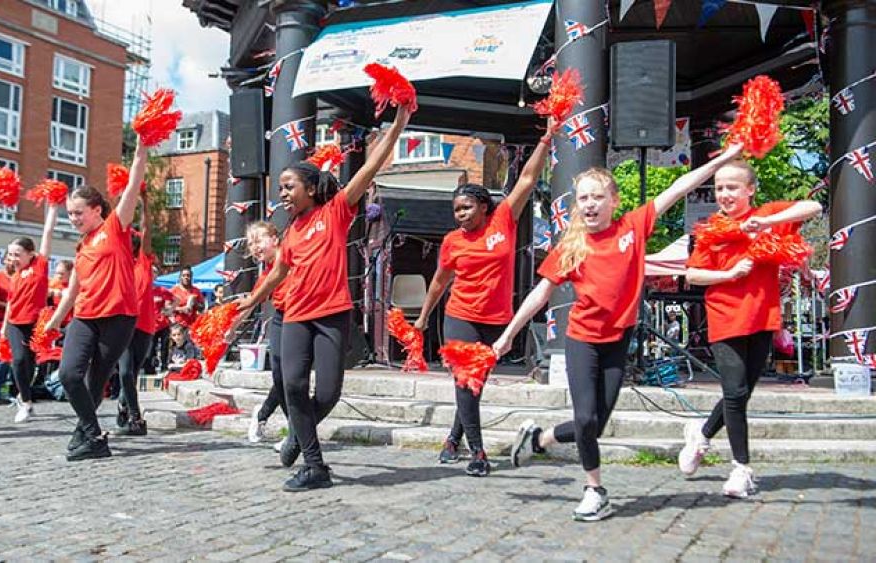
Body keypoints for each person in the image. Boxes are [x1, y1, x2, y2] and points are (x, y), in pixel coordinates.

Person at [494, 143, 745, 521]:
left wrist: (724, 159)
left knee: (595, 425)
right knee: (584, 420)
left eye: (597, 197)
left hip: (618, 341)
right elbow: (541, 292)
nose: (590, 204)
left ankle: (540, 439)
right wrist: (509, 334)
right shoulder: (572, 245)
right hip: (581, 339)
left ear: (614, 201)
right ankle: (595, 490)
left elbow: (679, 188)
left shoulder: (633, 227)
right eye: (583, 198)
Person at [239, 106, 412, 492]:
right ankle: (315, 466)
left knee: (329, 393)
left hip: (332, 315)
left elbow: (370, 169)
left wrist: (398, 124)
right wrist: (251, 301)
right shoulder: (291, 230)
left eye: (288, 187)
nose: (282, 194)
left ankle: (299, 437)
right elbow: (280, 272)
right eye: (280, 188)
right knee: (294, 386)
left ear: (311, 189)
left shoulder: (335, 212)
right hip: (297, 316)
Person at [413, 122, 557, 477]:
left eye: (465, 208)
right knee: (465, 381)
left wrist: (547, 137)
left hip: (496, 320)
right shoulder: (451, 242)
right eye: (456, 210)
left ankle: (452, 438)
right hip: (459, 316)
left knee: (475, 384)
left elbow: (525, 178)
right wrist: (422, 317)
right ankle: (477, 452)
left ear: (482, 206)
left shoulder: (503, 221)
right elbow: (439, 282)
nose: (459, 215)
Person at [678, 159, 821, 497]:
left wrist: (767, 221)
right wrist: (728, 275)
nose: (725, 194)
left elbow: (813, 205)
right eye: (720, 188)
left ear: (750, 190)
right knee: (736, 392)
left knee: (739, 392)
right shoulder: (711, 229)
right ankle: (742, 469)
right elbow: (693, 275)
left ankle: (701, 435)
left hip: (762, 317)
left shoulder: (770, 216)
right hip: (725, 316)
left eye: (732, 187)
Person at [45, 145, 147, 461]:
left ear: (96, 210)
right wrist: (52, 322)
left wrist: (142, 150)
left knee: (96, 381)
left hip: (118, 318)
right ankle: (93, 435)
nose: (73, 218)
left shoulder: (115, 228)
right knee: (68, 374)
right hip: (85, 317)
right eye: (69, 214)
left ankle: (86, 435)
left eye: (78, 212)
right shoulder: (81, 247)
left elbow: (132, 186)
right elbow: (73, 290)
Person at [1, 204, 58, 423]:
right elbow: (10, 303)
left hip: (35, 324)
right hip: (16, 322)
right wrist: (5, 327)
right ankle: (25, 402)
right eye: (10, 254)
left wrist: (52, 206)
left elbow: (48, 233)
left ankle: (25, 395)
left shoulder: (40, 266)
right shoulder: (14, 276)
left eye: (17, 254)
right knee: (18, 361)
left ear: (30, 254)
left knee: (30, 364)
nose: (13, 258)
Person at [237, 221, 289, 444]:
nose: (254, 247)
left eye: (258, 240)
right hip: (283, 319)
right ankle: (293, 431)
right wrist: (229, 329)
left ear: (275, 239)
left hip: (304, 318)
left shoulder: (291, 255)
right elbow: (250, 302)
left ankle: (268, 417)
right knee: (282, 376)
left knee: (290, 378)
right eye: (251, 244)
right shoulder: (266, 273)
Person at [115, 197, 156, 436]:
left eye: (134, 237)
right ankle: (135, 418)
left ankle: (123, 404)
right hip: (123, 324)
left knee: (132, 373)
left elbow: (147, 228)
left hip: (145, 325)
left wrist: (145, 203)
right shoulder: (117, 264)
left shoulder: (143, 262)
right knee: (125, 372)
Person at [147, 274, 174, 373]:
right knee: (150, 348)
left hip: (163, 323)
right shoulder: (143, 290)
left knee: (164, 346)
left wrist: (170, 309)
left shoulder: (161, 290)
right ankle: (150, 368)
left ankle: (164, 366)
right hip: (150, 325)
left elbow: (175, 299)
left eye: (153, 274)